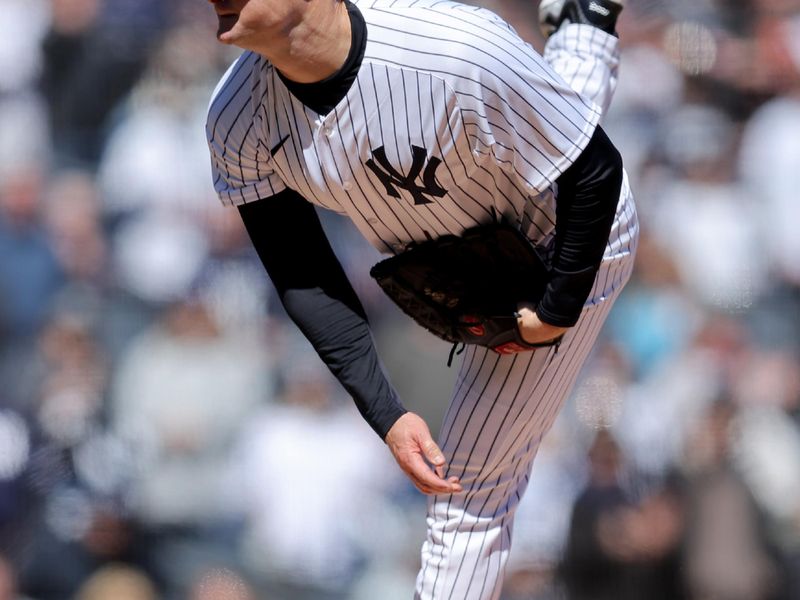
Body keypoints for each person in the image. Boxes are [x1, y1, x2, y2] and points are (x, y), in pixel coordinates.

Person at [204, 0, 637, 597]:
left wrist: (553, 313)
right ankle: (584, 29)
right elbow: (303, 275)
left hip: (563, 237)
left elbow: (592, 171)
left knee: (472, 486)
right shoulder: (236, 118)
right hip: (469, 247)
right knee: (545, 114)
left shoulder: (455, 48)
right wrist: (386, 414)